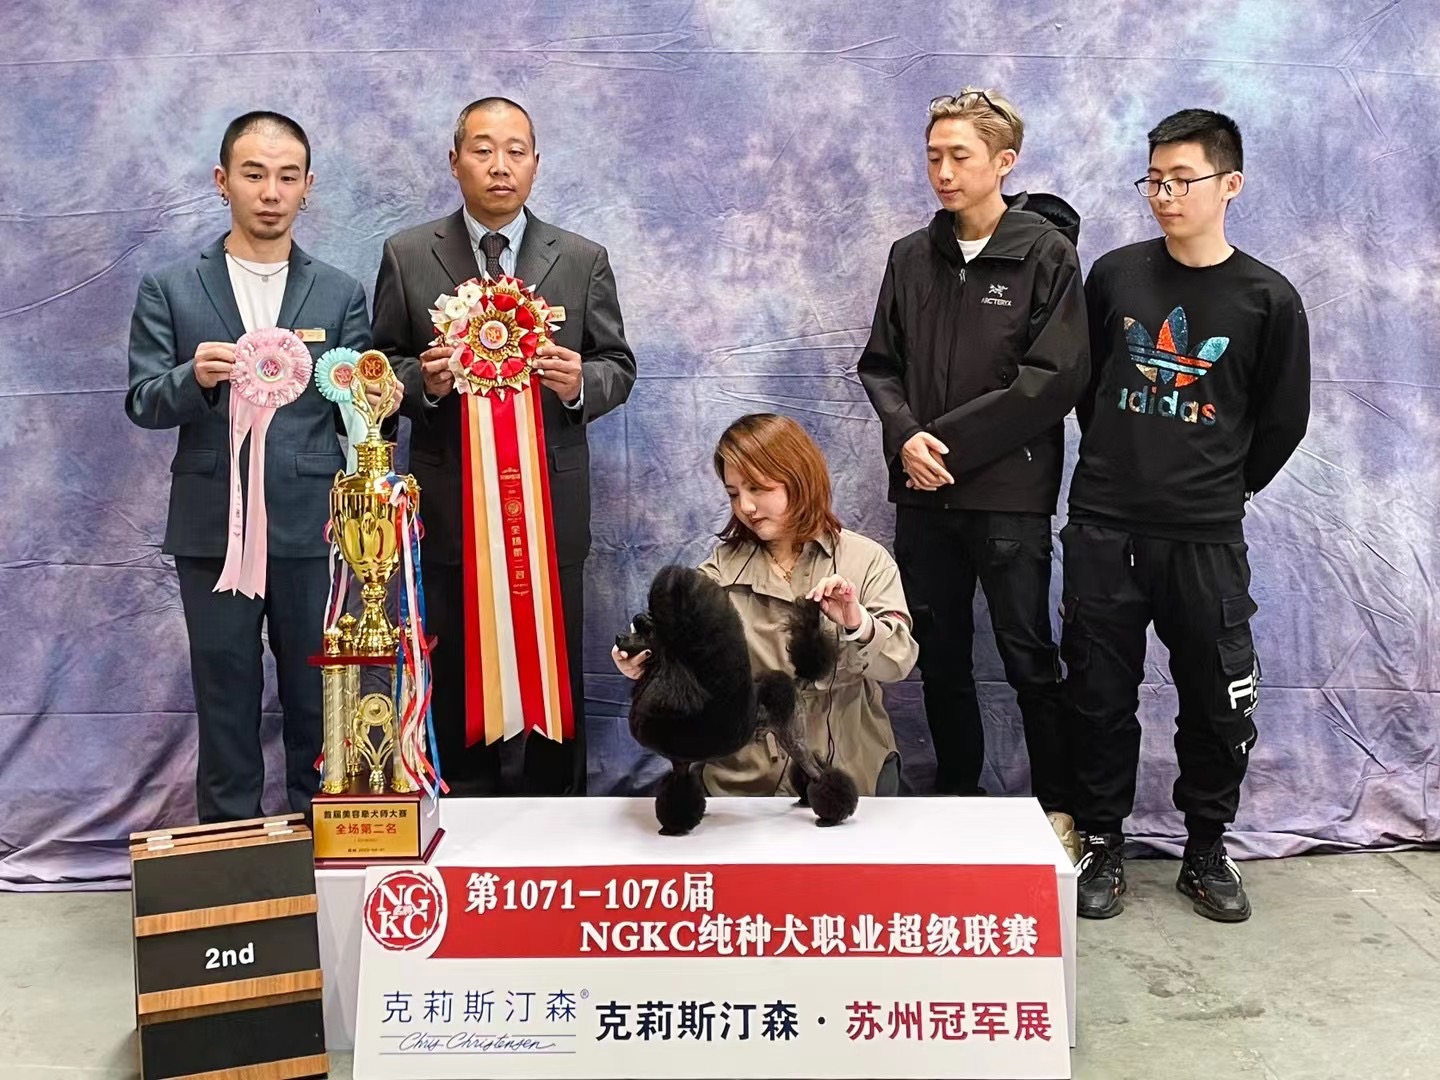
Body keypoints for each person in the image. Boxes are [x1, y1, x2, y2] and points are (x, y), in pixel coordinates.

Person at [1064, 109, 1311, 922]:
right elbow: (1088, 391)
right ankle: (1102, 840)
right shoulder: (1115, 276)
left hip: (1205, 535)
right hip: (1105, 525)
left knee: (1216, 699)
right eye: (1154, 180)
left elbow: (1282, 421)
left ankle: (1206, 847)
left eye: (1182, 180)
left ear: (1230, 184)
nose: (1164, 195)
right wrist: (1123, 468)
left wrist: (1221, 489)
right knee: (1098, 693)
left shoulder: (1268, 298)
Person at [372, 96, 636, 796]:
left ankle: (557, 815)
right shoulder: (407, 255)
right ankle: (466, 813)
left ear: (536, 165)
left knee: (554, 668)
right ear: (454, 161)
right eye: (483, 149)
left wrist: (580, 384)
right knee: (458, 668)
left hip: (550, 506)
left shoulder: (581, 258)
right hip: (449, 505)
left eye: (515, 151)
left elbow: (618, 366)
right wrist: (421, 381)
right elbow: (379, 366)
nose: (500, 165)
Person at [125, 111, 375, 823]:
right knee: (225, 700)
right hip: (212, 531)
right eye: (254, 174)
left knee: (319, 698)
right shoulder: (170, 287)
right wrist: (192, 379)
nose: (270, 192)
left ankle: (323, 843)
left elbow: (362, 414)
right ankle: (234, 852)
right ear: (222, 181)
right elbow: (142, 401)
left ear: (308, 187)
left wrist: (375, 402)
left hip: (313, 528)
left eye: (287, 177)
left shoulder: (341, 293)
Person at [857, 87, 1088, 855]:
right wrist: (905, 437)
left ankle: (1060, 808)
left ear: (1004, 161)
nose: (944, 173)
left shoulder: (1046, 254)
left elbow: (1052, 378)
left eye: (960, 156)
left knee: (1028, 656)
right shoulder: (910, 256)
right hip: (923, 496)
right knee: (941, 656)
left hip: (1008, 494)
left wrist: (940, 444)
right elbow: (880, 365)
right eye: (934, 157)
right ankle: (957, 795)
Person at [613, 413, 918, 797]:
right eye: (733, 493)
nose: (746, 506)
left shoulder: (867, 561)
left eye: (758, 488)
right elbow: (679, 651)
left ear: (799, 478)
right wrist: (644, 661)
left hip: (852, 776)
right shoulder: (716, 574)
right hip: (740, 788)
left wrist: (859, 623)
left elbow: (898, 664)